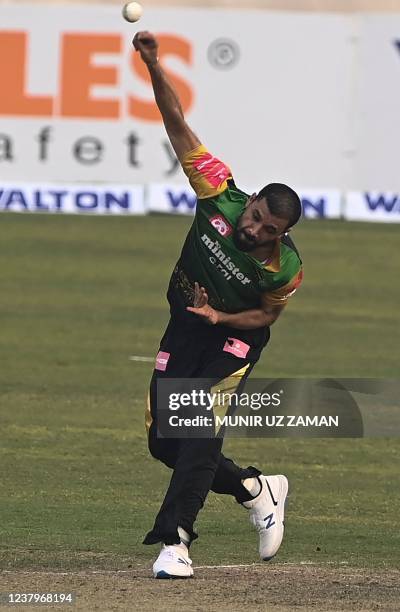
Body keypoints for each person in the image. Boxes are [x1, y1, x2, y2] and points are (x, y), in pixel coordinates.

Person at [133, 31, 303, 579]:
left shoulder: (283, 269)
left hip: (234, 337)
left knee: (200, 428)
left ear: (281, 234)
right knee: (165, 441)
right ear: (249, 200)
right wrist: (155, 65)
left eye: (267, 230)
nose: (253, 231)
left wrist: (221, 317)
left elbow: (266, 317)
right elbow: (176, 125)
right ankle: (255, 488)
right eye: (253, 217)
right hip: (185, 322)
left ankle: (175, 542)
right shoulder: (217, 191)